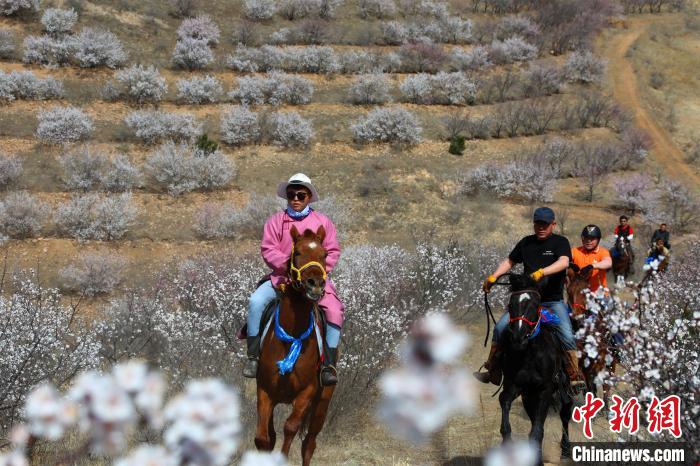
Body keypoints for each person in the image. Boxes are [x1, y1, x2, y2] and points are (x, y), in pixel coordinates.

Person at [244, 173, 344, 386]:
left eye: (301, 195)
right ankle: (253, 357)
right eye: (291, 195)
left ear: (309, 197)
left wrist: (316, 271)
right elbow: (267, 249)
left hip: (314, 280)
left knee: (334, 311)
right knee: (255, 303)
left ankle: (328, 365)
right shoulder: (275, 222)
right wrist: (288, 267)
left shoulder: (323, 222)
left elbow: (333, 251)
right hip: (281, 278)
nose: (296, 199)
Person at [475, 207, 585, 390]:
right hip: (527, 302)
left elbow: (564, 262)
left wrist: (542, 272)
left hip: (552, 301)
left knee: (566, 334)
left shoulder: (560, 242)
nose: (541, 227)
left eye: (545, 224)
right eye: (538, 223)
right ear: (534, 224)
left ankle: (574, 375)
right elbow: (509, 261)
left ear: (553, 224)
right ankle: (493, 369)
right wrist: (494, 277)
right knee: (501, 328)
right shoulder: (526, 243)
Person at [571, 225, 612, 293]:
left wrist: (592, 266)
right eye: (586, 238)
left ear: (598, 240)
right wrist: (569, 264)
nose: (589, 241)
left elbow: (608, 262)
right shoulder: (575, 251)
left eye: (592, 238)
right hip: (579, 295)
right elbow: (563, 259)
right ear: (582, 238)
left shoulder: (603, 252)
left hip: (599, 295)